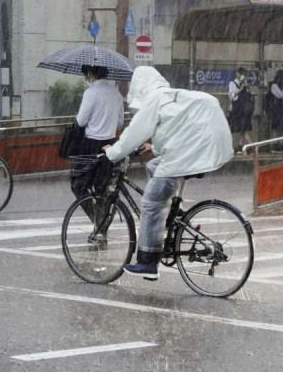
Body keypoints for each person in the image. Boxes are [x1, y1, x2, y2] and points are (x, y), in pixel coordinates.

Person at [103, 66, 233, 280]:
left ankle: (147, 263)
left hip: (187, 154)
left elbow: (134, 132)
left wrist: (113, 153)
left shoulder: (155, 99)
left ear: (140, 85)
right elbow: (177, 130)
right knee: (153, 166)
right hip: (199, 147)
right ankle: (176, 216)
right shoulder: (170, 97)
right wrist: (153, 148)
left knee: (151, 204)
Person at [70, 65, 124, 222]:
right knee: (103, 187)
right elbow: (120, 123)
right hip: (111, 145)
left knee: (78, 185)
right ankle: (102, 222)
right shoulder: (117, 94)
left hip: (91, 145)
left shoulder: (90, 93)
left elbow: (80, 121)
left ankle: (96, 219)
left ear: (91, 74)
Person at [265, 69, 283, 144]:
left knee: (282, 129)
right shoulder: (274, 86)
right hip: (276, 111)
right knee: (276, 128)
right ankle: (274, 144)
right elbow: (280, 95)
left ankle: (281, 144)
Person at [227, 67, 254, 154]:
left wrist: (247, 88)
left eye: (245, 75)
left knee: (244, 129)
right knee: (241, 129)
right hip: (237, 110)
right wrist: (240, 90)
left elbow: (249, 96)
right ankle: (251, 147)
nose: (243, 77)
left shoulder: (244, 84)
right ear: (238, 74)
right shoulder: (232, 83)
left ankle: (240, 147)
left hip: (245, 111)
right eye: (242, 74)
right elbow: (231, 96)